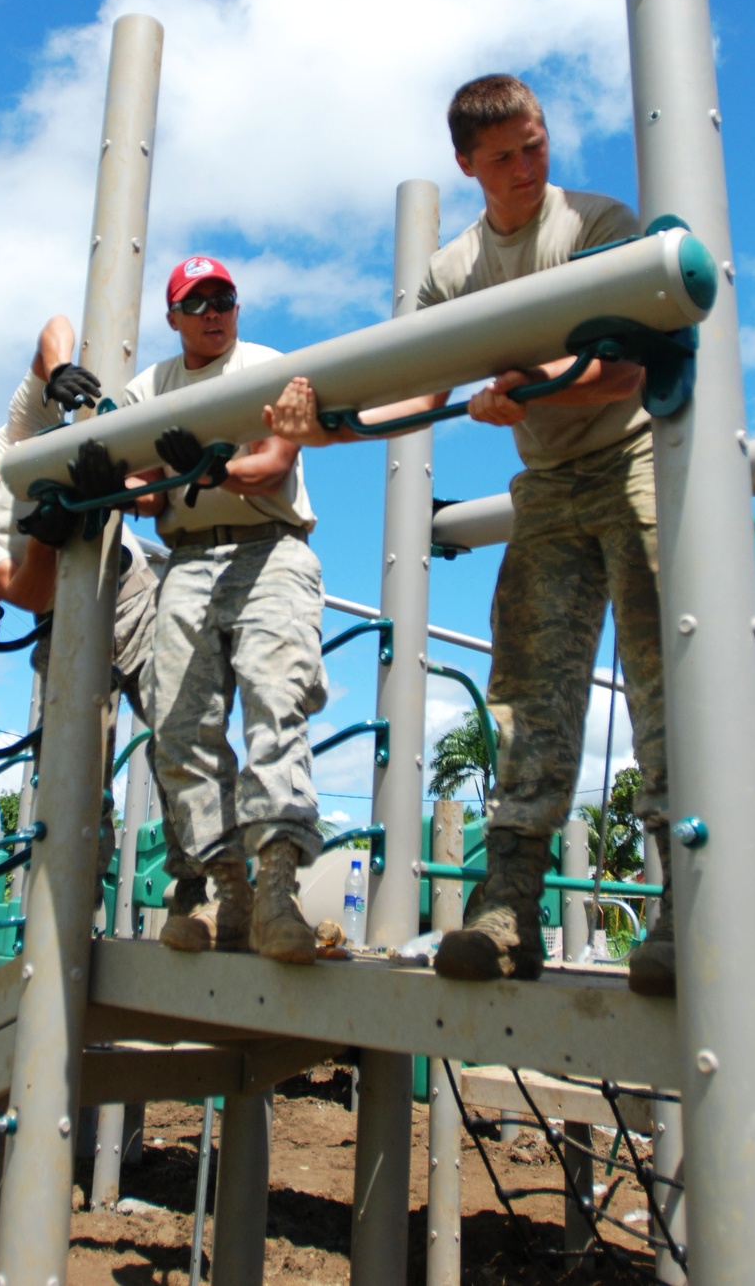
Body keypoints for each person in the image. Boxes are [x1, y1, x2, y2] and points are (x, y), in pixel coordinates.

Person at [266, 75, 673, 996]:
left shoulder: (598, 224)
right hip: (553, 485)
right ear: (467, 165)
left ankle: (687, 903)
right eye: (505, 157)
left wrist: (529, 385)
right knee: (528, 688)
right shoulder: (456, 271)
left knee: (662, 676)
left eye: (535, 144)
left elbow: (623, 369)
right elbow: (421, 388)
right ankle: (508, 910)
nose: (528, 167)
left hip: (637, 460)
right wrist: (325, 426)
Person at [120, 256, 327, 965]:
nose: (214, 311)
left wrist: (208, 470)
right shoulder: (149, 388)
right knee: (176, 721)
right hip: (187, 558)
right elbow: (145, 491)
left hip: (270, 547)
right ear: (173, 316)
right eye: (197, 301)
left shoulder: (269, 366)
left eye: (225, 298)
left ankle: (277, 890)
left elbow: (272, 464)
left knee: (275, 701)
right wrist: (117, 483)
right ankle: (222, 888)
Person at [0, 314, 157, 726]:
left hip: (130, 596)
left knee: (183, 736)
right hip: (64, 622)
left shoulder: (21, 431)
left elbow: (55, 328)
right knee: (72, 770)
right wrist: (44, 540)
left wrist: (56, 371)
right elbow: (29, 595)